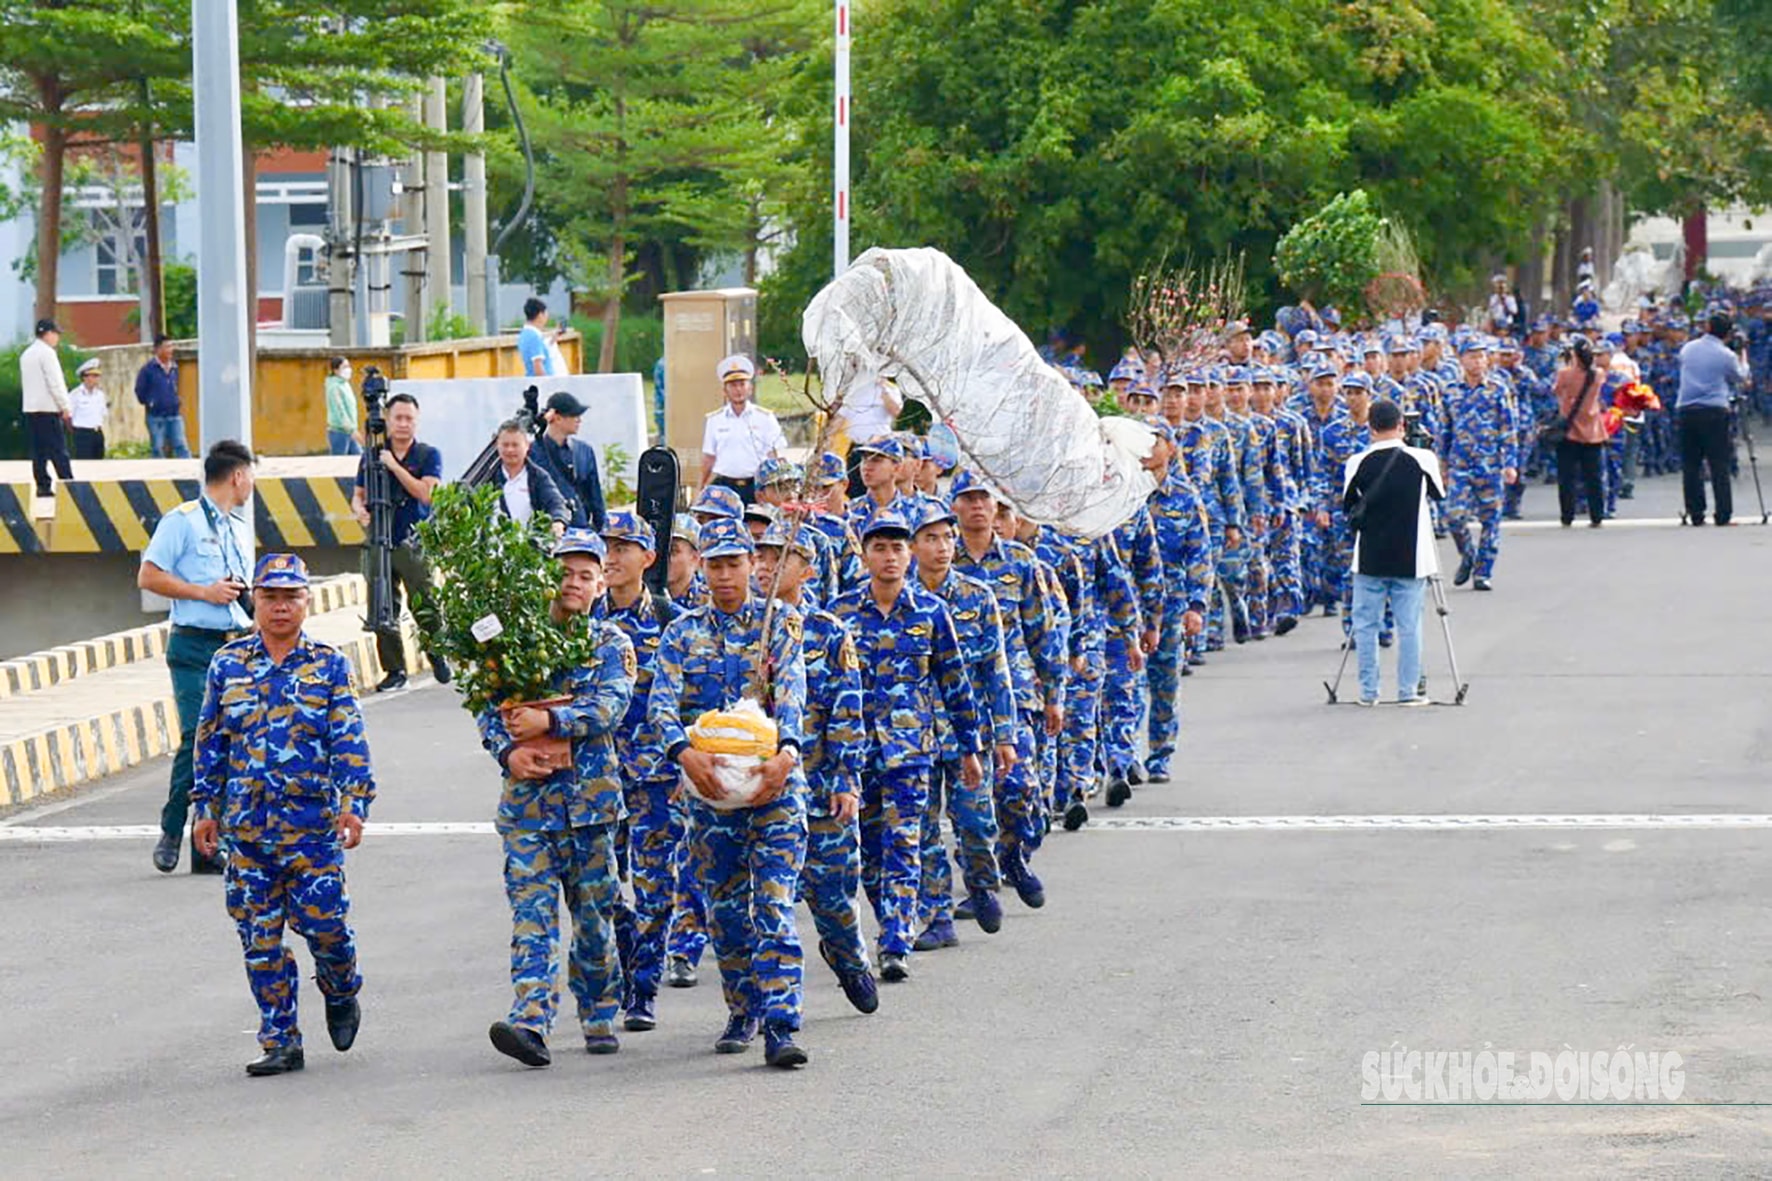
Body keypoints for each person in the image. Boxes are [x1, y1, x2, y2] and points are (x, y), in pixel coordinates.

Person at [191, 552, 375, 1076]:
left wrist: (353, 803)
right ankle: (281, 1039)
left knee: (326, 930)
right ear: (255, 601)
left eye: (290, 597)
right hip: (247, 832)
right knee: (260, 940)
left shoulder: (328, 664)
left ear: (306, 602)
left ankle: (341, 988)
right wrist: (205, 808)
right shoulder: (228, 665)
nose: (279, 607)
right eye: (270, 597)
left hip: (311, 830)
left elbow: (348, 740)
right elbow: (209, 742)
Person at [647, 516, 813, 1068]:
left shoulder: (780, 623)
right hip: (711, 794)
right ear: (700, 566)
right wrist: (683, 754)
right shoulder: (682, 634)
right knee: (726, 914)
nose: (724, 575)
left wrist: (786, 756)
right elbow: (661, 706)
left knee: (772, 905)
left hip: (775, 790)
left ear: (752, 565)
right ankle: (744, 1009)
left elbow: (792, 694)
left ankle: (783, 1024)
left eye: (734, 563)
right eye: (713, 564)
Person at [478, 528, 634, 1068]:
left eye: (584, 576)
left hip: (590, 807)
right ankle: (531, 1020)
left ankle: (598, 1011)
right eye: (564, 573)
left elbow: (611, 706)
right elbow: (486, 704)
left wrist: (552, 719)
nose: (573, 583)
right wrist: (507, 751)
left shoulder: (611, 643)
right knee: (532, 918)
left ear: (599, 585)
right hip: (528, 808)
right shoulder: (511, 639)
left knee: (593, 918)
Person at [828, 509, 983, 982]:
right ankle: (887, 919)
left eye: (898, 547)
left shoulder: (931, 614)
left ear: (909, 553)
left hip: (911, 754)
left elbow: (955, 683)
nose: (890, 556)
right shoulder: (840, 613)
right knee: (868, 855)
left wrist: (970, 746)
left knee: (904, 844)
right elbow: (826, 688)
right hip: (857, 755)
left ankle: (896, 940)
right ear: (865, 554)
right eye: (880, 547)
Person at [752, 523, 878, 1015]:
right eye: (759, 557)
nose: (765, 567)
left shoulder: (826, 632)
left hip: (819, 784)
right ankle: (764, 1009)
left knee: (832, 897)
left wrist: (847, 780)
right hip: (759, 790)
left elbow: (847, 711)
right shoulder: (743, 629)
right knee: (764, 903)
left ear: (807, 569)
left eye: (779, 558)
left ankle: (847, 957)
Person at [138, 440, 257, 875]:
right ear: (237, 476)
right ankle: (172, 827)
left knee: (229, 742)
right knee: (197, 738)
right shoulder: (182, 522)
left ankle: (208, 842)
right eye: (250, 478)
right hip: (193, 645)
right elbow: (148, 576)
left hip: (234, 644)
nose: (251, 487)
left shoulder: (238, 528)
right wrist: (203, 592)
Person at [1341, 402, 1446, 707]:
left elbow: (1348, 503)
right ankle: (1408, 690)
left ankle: (1368, 691)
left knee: (1365, 624)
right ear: (1402, 425)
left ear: (1370, 427)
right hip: (1411, 556)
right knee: (1409, 626)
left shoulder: (1357, 462)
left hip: (1370, 554)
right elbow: (1438, 493)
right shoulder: (1422, 458)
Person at [350, 392, 449, 692]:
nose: (403, 424)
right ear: (388, 420)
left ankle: (437, 652)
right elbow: (359, 494)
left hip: (413, 540)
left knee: (424, 602)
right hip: (379, 539)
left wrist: (394, 466)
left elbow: (426, 494)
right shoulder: (371, 455)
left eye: (409, 419)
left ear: (416, 423)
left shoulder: (428, 455)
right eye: (398, 418)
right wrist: (358, 511)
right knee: (382, 607)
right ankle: (394, 669)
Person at [1440, 338, 1518, 591]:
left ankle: (1483, 572)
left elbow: (1508, 428)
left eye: (1481, 356)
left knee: (1490, 520)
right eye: (1471, 356)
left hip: (1490, 464)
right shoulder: (1451, 390)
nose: (1477, 361)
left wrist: (1510, 463)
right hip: (1460, 464)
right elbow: (1445, 430)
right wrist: (1441, 465)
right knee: (1454, 516)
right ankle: (1468, 554)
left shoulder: (1497, 389)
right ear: (1461, 359)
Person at [1676, 312, 1751, 526]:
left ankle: (1696, 513)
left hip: (1687, 409)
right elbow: (1741, 377)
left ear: (1707, 327)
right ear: (1727, 334)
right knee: (1719, 463)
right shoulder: (1725, 355)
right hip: (1714, 412)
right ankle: (1723, 514)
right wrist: (1742, 354)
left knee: (1691, 464)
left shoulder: (1688, 348)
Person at [699, 354, 786, 502]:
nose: (738, 390)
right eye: (733, 385)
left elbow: (776, 456)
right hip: (724, 486)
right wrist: (700, 487)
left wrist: (779, 488)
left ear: (750, 388)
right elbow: (709, 458)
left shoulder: (765, 418)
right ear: (724, 391)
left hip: (756, 488)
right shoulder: (715, 420)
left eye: (742, 384)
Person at [1552, 335, 1608, 528]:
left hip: (1570, 431)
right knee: (1593, 476)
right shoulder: (1598, 374)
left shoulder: (1564, 374)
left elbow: (1557, 391)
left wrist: (1568, 362)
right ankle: (1597, 514)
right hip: (1593, 431)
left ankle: (1567, 515)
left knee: (1567, 477)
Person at [533, 391, 607, 531]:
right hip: (547, 528)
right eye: (574, 415)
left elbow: (595, 495)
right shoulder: (534, 451)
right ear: (558, 418)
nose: (579, 420)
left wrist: (602, 529)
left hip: (580, 527)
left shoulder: (584, 451)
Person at [490, 419, 570, 536]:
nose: (510, 450)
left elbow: (556, 503)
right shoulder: (488, 479)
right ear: (497, 446)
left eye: (515, 445)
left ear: (527, 446)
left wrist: (557, 522)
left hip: (529, 550)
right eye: (505, 445)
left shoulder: (538, 477)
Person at [20, 318, 73, 495]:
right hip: (48, 409)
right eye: (56, 334)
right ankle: (68, 483)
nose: (57, 338)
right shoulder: (47, 353)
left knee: (38, 451)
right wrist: (65, 406)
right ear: (48, 334)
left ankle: (42, 485)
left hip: (31, 408)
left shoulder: (26, 354)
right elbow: (55, 382)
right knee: (58, 449)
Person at [135, 333, 191, 458]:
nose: (170, 350)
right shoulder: (148, 370)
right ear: (158, 349)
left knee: (181, 445)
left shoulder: (174, 367)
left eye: (171, 346)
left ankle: (188, 474)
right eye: (167, 347)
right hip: (156, 417)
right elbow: (140, 391)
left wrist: (176, 400)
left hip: (174, 414)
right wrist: (151, 402)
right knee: (157, 448)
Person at [69, 358, 108, 459]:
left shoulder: (100, 395)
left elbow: (102, 414)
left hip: (97, 433)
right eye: (93, 376)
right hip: (83, 433)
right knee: (84, 464)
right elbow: (68, 416)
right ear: (85, 377)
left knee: (99, 462)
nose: (96, 379)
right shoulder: (75, 395)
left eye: (97, 376)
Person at [323, 357, 362, 455]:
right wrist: (351, 430)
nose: (348, 369)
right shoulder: (334, 387)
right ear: (336, 370)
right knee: (339, 463)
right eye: (344, 367)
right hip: (339, 431)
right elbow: (340, 410)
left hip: (350, 430)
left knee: (358, 459)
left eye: (348, 366)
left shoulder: (345, 385)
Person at [517, 297, 554, 378]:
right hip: (540, 385)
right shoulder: (534, 337)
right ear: (540, 315)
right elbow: (537, 364)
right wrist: (545, 384)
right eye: (545, 314)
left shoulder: (525, 334)